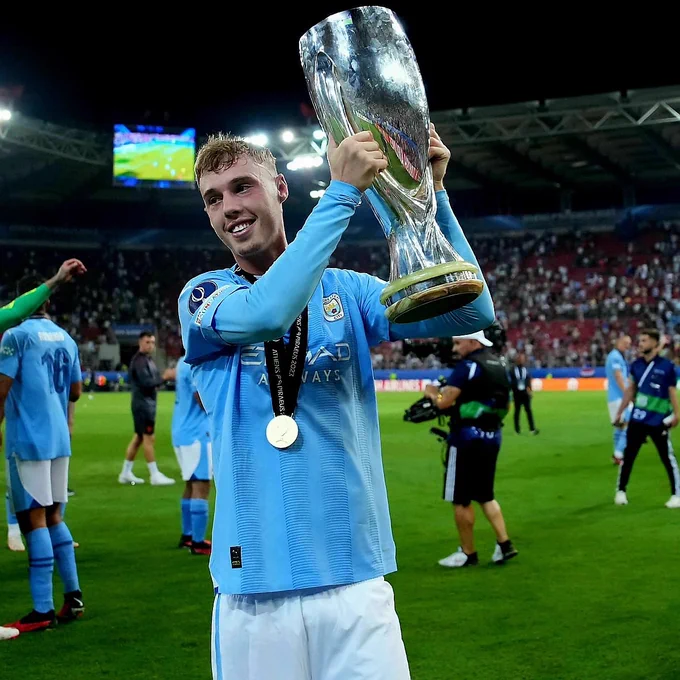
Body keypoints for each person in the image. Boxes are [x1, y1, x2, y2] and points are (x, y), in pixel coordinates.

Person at [178, 125, 494, 680]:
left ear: (280, 188)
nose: (229, 207)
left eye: (242, 186)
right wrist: (343, 193)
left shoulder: (349, 292)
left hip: (356, 582)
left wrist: (431, 199)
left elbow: (470, 313)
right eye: (213, 198)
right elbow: (266, 314)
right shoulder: (205, 295)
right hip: (256, 594)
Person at [0, 275, 84, 634]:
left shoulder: (15, 336)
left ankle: (42, 609)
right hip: (59, 440)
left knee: (32, 519)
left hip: (28, 439)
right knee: (54, 516)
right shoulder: (67, 337)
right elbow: (76, 391)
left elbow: (1, 389)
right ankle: (73, 596)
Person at [424, 330, 518, 568]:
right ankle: (504, 544)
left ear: (473, 342)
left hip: (466, 438)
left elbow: (444, 402)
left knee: (461, 498)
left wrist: (432, 393)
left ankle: (468, 553)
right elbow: (506, 404)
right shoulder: (499, 363)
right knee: (486, 494)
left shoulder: (468, 366)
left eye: (458, 343)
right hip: (492, 435)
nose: (455, 348)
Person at [614, 329, 680, 508]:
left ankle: (676, 494)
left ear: (654, 343)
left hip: (658, 418)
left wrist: (677, 414)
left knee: (666, 457)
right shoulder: (636, 365)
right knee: (629, 455)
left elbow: (672, 392)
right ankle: (621, 490)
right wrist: (620, 412)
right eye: (640, 340)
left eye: (644, 340)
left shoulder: (667, 366)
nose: (640, 344)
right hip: (638, 418)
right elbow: (630, 390)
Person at [167, 356, 212, 555]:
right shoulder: (196, 362)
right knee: (201, 485)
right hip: (197, 434)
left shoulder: (182, 361)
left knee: (190, 484)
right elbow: (201, 400)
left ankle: (188, 535)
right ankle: (198, 542)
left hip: (181, 430)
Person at [118, 331, 175, 486]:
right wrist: (165, 377)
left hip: (145, 404)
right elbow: (147, 383)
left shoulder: (146, 360)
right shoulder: (139, 362)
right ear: (140, 343)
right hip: (143, 406)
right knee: (148, 438)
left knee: (139, 438)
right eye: (147, 342)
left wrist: (162, 378)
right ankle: (154, 474)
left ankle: (125, 472)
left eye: (152, 342)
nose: (150, 345)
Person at [0, 258, 86, 335]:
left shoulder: (13, 335)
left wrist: (57, 279)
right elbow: (16, 310)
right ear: (47, 303)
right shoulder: (65, 337)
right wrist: (57, 279)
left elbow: (16, 310)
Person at [606, 334, 632, 465]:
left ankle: (617, 454)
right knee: (628, 425)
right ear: (618, 342)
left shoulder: (616, 356)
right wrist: (627, 393)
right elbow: (618, 376)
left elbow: (624, 376)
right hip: (619, 397)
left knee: (620, 427)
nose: (628, 346)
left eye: (629, 344)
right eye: (626, 343)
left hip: (614, 397)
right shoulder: (615, 357)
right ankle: (618, 454)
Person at [509, 353, 538, 435]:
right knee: (517, 411)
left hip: (525, 393)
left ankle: (532, 429)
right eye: (520, 359)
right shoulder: (512, 370)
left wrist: (530, 390)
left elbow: (528, 381)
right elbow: (510, 381)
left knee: (528, 411)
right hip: (517, 393)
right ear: (517, 360)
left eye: (523, 359)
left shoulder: (525, 369)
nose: (522, 360)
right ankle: (517, 430)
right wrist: (511, 390)